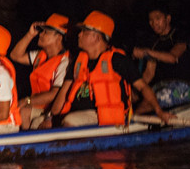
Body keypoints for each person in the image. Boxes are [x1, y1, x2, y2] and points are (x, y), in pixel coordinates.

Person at [45, 11, 174, 127]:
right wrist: (49, 118)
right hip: (75, 114)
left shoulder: (117, 60)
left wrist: (159, 111)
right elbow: (63, 93)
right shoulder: (78, 63)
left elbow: (143, 87)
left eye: (84, 31)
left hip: (106, 117)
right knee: (41, 122)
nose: (79, 35)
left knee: (70, 121)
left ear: (96, 36)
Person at [9, 13, 71, 129]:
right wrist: (30, 35)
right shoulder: (40, 55)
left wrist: (27, 101)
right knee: (19, 111)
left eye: (46, 32)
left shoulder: (64, 62)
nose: (40, 34)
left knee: (23, 110)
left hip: (50, 109)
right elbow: (15, 55)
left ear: (59, 37)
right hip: (36, 105)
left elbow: (54, 94)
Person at [132, 1, 190, 109]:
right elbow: (149, 73)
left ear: (168, 19)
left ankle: (131, 123)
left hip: (184, 87)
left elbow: (172, 58)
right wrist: (134, 90)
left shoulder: (180, 35)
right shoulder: (154, 43)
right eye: (151, 20)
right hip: (161, 86)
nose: (154, 23)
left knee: (148, 103)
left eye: (158, 19)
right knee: (132, 98)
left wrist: (145, 52)